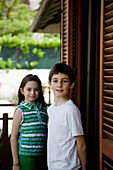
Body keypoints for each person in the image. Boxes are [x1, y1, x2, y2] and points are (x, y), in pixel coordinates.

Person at [47, 63, 86, 170]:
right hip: (53, 166)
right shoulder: (51, 109)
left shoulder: (71, 110)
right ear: (49, 84)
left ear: (72, 84)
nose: (59, 85)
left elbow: (81, 144)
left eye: (64, 81)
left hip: (69, 167)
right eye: (55, 81)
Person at [10, 74, 48, 170]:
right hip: (26, 157)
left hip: (42, 156)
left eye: (36, 89)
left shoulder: (44, 110)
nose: (32, 93)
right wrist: (15, 162)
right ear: (22, 90)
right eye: (29, 89)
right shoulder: (20, 110)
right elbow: (13, 137)